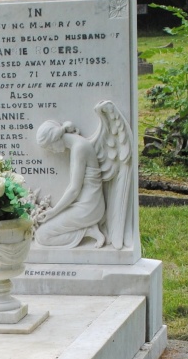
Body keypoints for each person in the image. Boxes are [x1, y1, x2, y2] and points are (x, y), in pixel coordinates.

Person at [34, 101, 132, 249]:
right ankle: (89, 230)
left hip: (88, 208)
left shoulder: (79, 148)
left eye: (50, 148)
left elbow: (74, 189)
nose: (53, 151)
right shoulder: (79, 145)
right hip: (86, 205)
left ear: (55, 139)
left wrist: (53, 212)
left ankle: (88, 231)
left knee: (42, 236)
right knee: (43, 234)